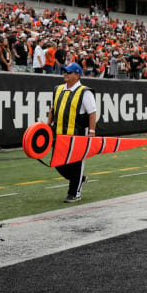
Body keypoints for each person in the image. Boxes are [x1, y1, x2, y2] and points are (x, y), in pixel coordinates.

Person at [46, 63, 97, 202]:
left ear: (77, 74)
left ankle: (74, 193)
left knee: (76, 164)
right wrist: (47, 126)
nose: (65, 74)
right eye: (64, 72)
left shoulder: (84, 92)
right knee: (57, 162)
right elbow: (52, 110)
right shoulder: (58, 89)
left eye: (69, 72)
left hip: (78, 134)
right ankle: (80, 179)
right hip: (59, 134)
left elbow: (92, 113)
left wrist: (91, 132)